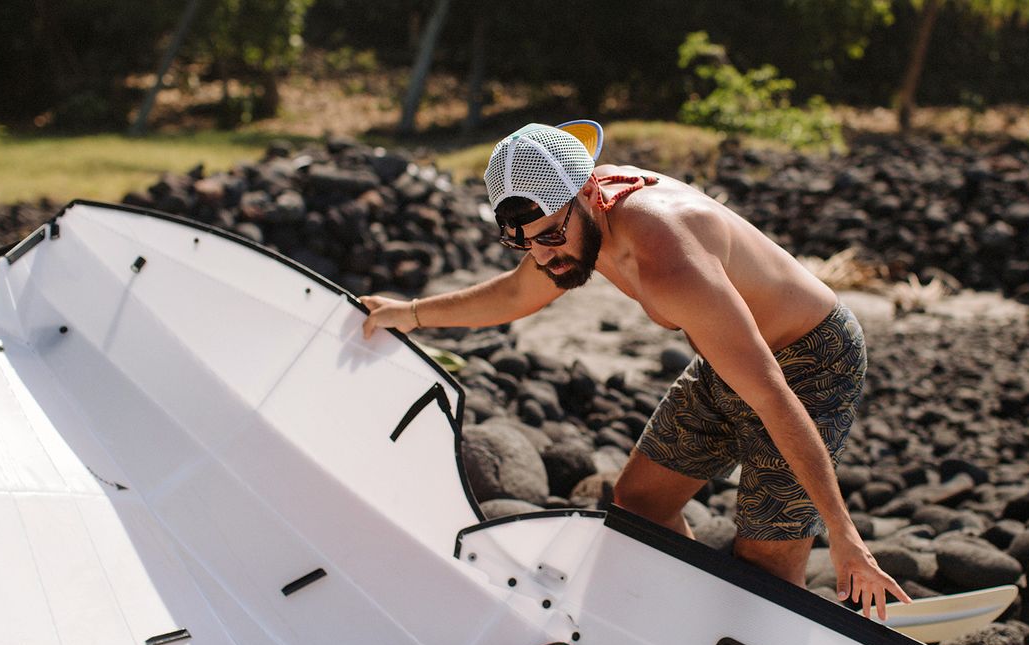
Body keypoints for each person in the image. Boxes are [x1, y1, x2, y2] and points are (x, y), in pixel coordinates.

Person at [360, 120, 911, 619]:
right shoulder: (570, 226)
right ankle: (702, 621)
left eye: (551, 235)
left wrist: (844, 534)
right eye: (523, 243)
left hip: (810, 357)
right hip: (729, 353)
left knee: (766, 558)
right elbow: (515, 292)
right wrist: (409, 313)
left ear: (588, 193)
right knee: (640, 505)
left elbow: (771, 395)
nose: (545, 257)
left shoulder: (668, 256)